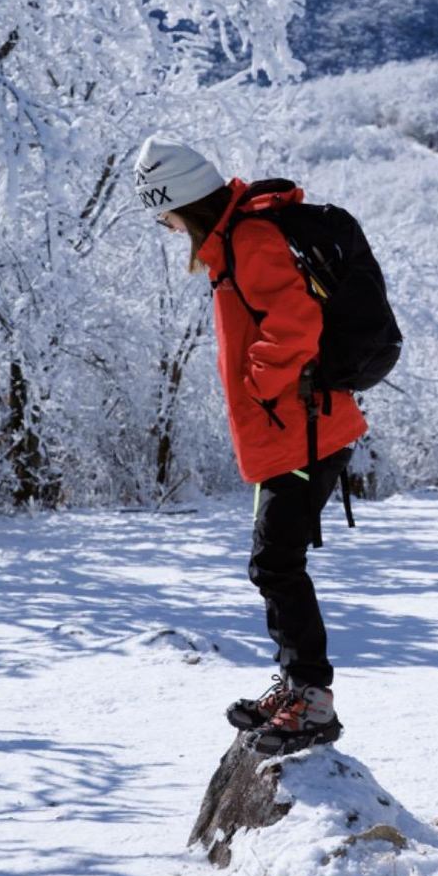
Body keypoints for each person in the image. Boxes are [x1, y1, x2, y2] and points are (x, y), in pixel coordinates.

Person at [134, 135, 368, 753]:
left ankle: (312, 701)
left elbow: (295, 323)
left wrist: (258, 384)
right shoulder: (233, 244)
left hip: (302, 430)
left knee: (275, 563)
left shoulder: (251, 239)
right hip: (289, 430)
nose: (166, 227)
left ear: (183, 203)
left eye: (165, 214)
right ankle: (296, 688)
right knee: (274, 561)